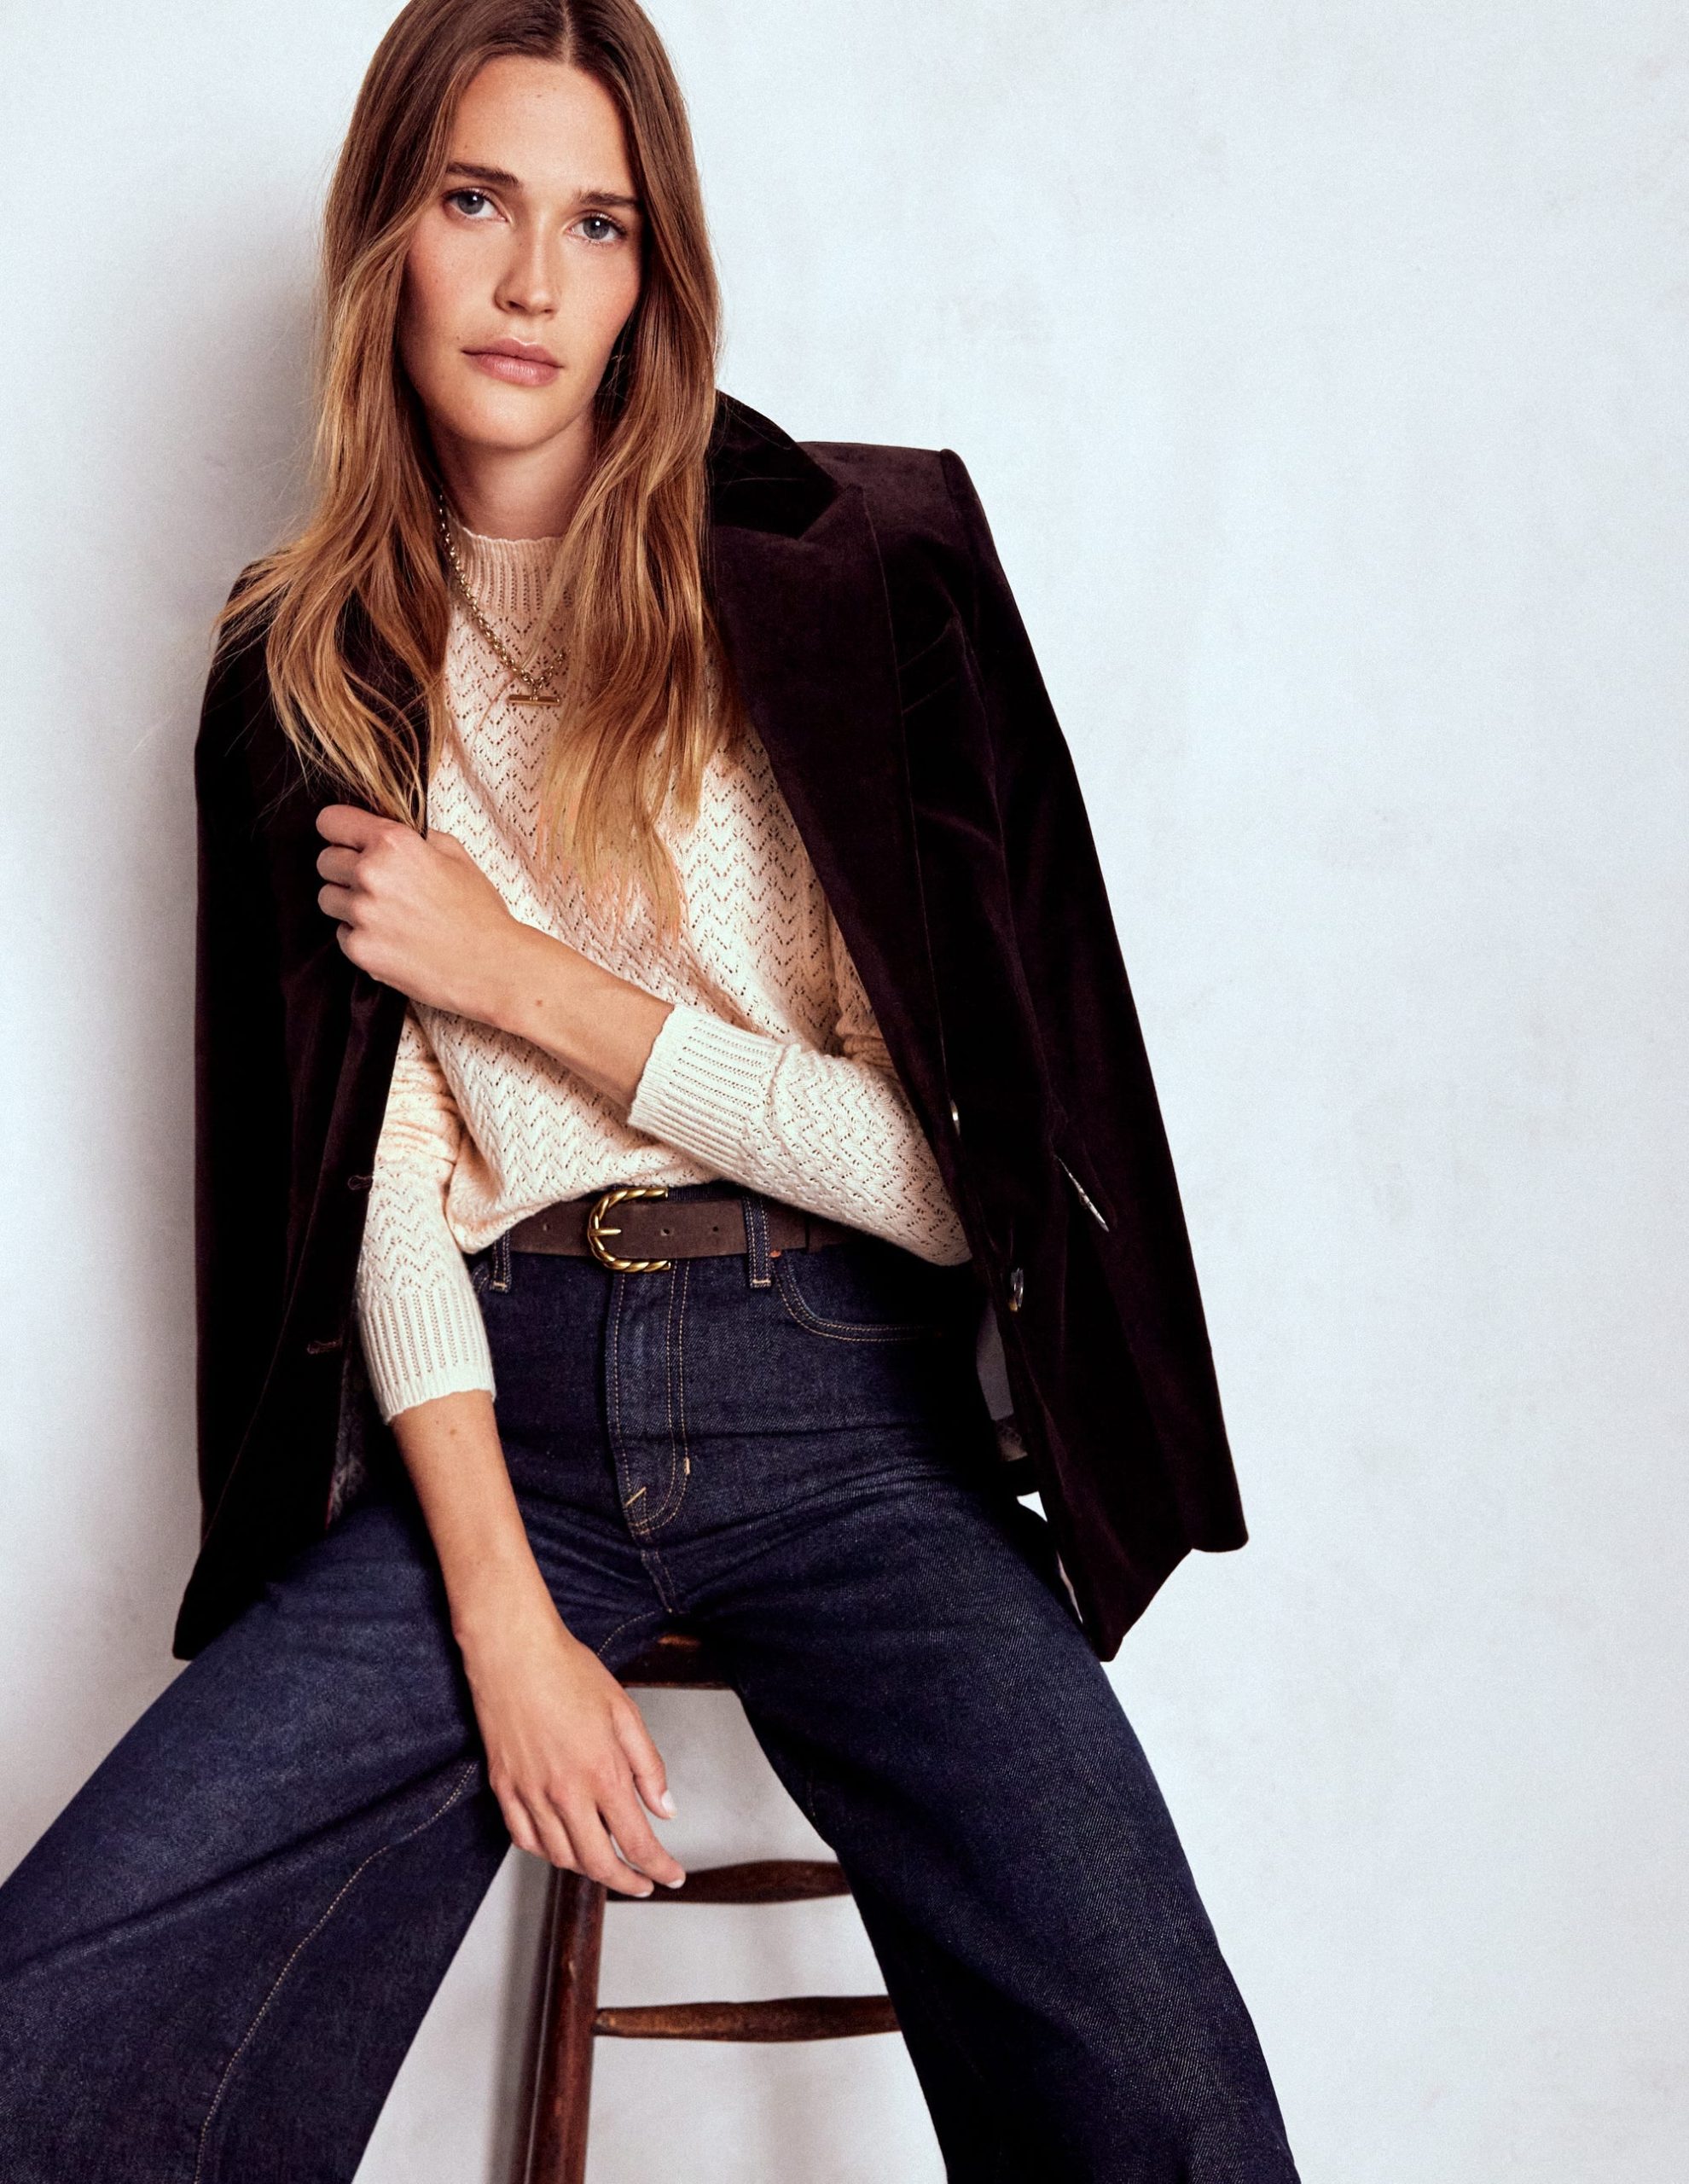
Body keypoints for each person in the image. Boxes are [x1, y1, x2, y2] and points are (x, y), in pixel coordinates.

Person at [0, 2, 1301, 2177]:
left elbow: (948, 1179)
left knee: (1162, 2100)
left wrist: (520, 977)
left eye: (597, 224)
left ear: (653, 272)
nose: (533, 281)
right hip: (499, 1419)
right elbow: (381, 1191)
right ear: (387, 234)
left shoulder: (836, 577)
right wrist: (503, 1618)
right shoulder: (303, 658)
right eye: (476, 201)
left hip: (854, 1421)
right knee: (51, 2012)